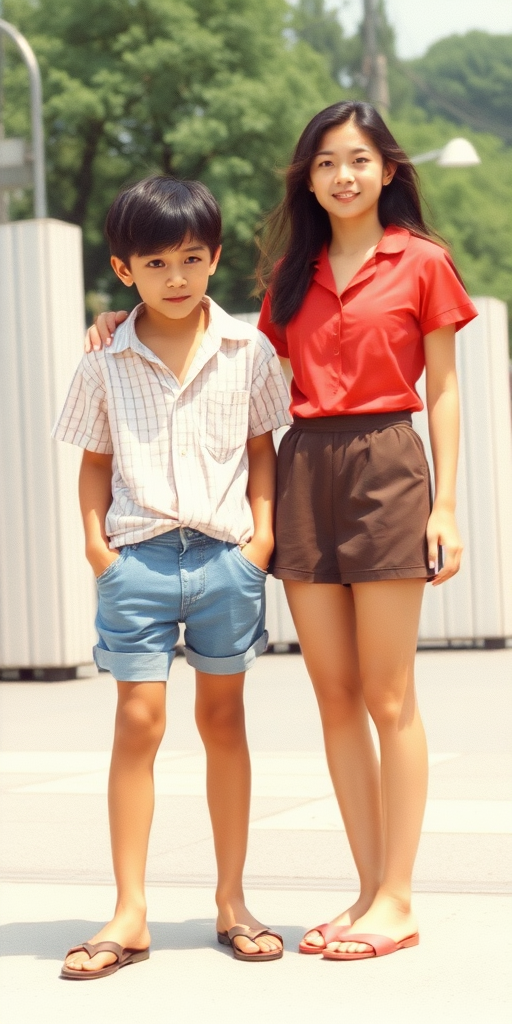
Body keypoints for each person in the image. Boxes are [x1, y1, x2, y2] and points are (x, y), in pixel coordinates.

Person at [87, 101, 478, 962]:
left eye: (360, 160)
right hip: (307, 471)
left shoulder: (422, 263)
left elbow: (445, 388)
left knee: (387, 695)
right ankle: (369, 889)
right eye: (327, 162)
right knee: (332, 695)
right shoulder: (289, 277)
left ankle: (400, 898)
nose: (344, 175)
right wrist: (119, 321)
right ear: (308, 177)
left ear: (387, 170)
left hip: (386, 464)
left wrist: (447, 504)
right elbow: (211, 334)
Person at [53, 175, 290, 978]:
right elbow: (94, 465)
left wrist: (260, 543)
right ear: (124, 271)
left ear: (216, 258)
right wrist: (98, 551)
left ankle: (232, 900)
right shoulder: (103, 359)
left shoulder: (248, 351)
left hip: (227, 558)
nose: (178, 277)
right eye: (156, 263)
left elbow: (264, 451)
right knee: (138, 725)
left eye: (193, 258)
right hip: (138, 562)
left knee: (224, 725)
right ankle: (129, 911)